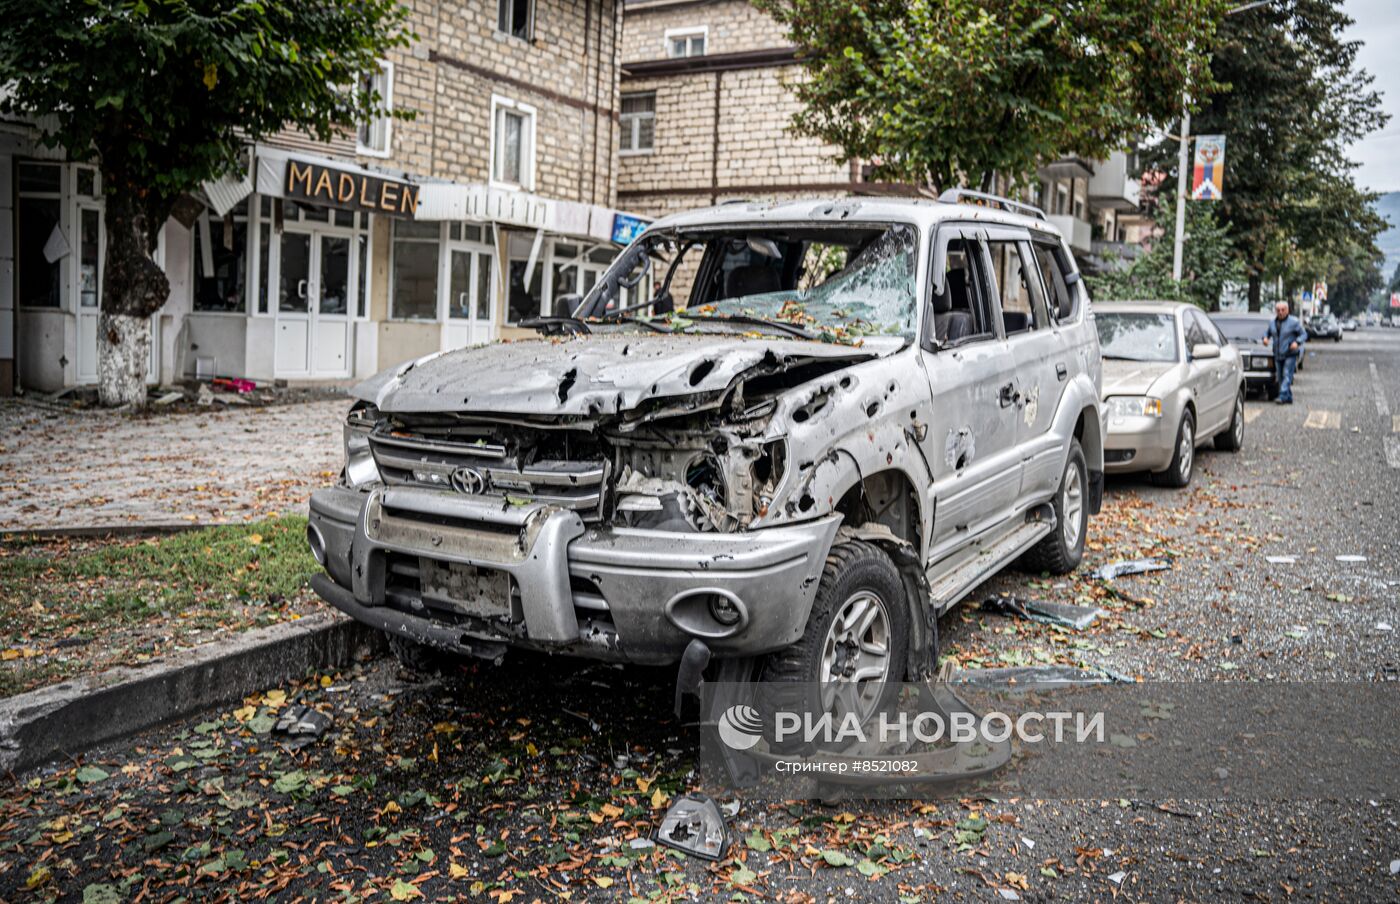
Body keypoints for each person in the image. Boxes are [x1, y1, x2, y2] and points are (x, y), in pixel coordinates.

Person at [1263, 300, 1306, 404]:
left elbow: (1304, 334)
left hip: (1290, 353)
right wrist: (1265, 338)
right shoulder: (1272, 323)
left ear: (1287, 310)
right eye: (1278, 310)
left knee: (1287, 374)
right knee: (1281, 377)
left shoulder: (1294, 322)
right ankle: (1288, 397)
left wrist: (1297, 342)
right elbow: (1267, 333)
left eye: (1283, 310)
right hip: (1278, 354)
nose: (1280, 312)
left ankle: (1282, 396)